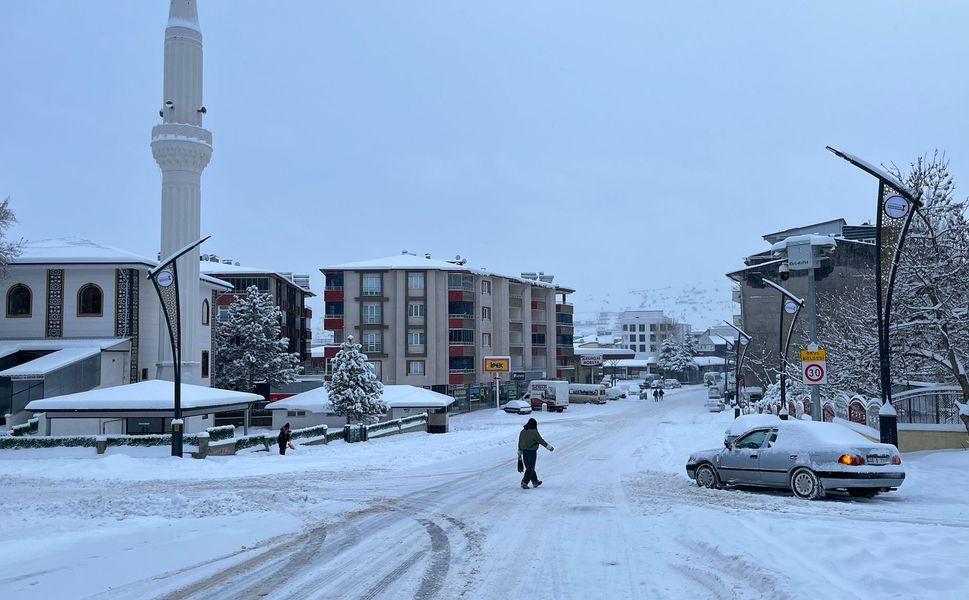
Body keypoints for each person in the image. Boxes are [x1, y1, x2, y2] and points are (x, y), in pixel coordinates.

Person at [517, 417, 554, 489]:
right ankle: (524, 482)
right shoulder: (534, 432)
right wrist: (549, 447)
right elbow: (541, 441)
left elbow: (520, 442)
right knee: (530, 467)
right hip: (531, 452)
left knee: (529, 467)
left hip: (524, 451)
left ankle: (535, 481)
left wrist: (519, 450)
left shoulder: (522, 431)